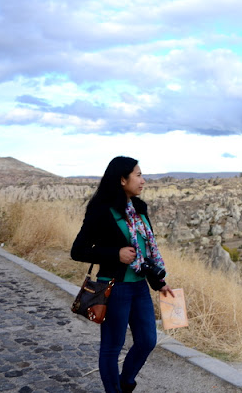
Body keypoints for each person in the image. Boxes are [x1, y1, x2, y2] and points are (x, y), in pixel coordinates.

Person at [71, 156, 174, 392]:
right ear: (122, 179)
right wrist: (114, 254)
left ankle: (126, 382)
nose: (143, 181)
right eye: (138, 175)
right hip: (114, 288)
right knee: (112, 347)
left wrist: (159, 283)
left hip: (139, 288)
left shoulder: (139, 209)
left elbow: (145, 252)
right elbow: (78, 251)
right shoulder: (101, 211)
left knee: (148, 340)